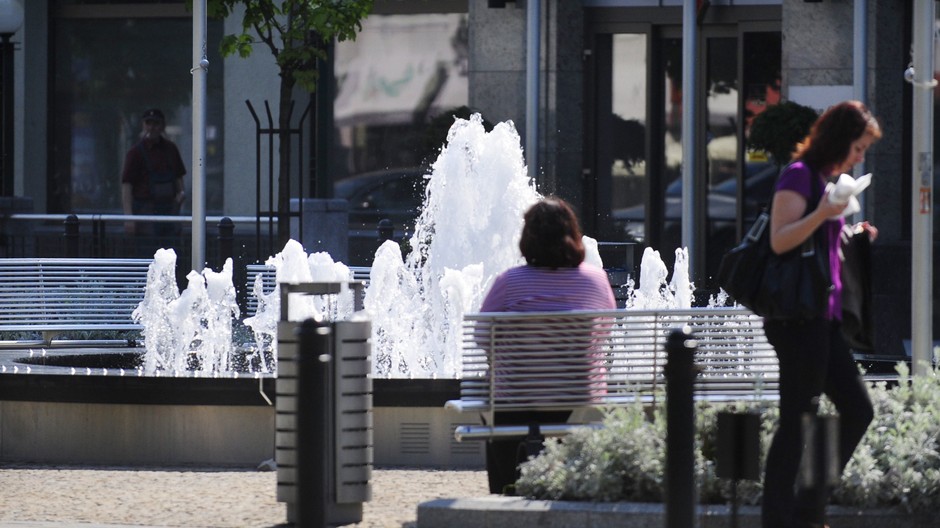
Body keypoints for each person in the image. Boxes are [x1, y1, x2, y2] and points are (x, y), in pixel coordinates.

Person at [762, 100, 880, 528]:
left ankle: (806, 509)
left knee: (856, 409)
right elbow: (780, 240)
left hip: (820, 318)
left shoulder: (826, 181)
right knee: (798, 418)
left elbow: (814, 243)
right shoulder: (798, 175)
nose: (861, 156)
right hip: (796, 318)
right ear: (840, 139)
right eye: (860, 146)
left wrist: (849, 232)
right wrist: (823, 214)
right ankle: (782, 518)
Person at [478, 197, 617, 494]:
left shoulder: (509, 282)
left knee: (494, 407)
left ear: (528, 239)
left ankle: (504, 491)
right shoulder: (596, 281)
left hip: (516, 397)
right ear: (573, 235)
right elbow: (604, 331)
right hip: (577, 397)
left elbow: (481, 336)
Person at [121, 108, 186, 237]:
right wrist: (129, 217)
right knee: (147, 252)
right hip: (145, 213)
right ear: (143, 125)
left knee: (170, 253)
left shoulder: (171, 149)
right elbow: (126, 185)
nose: (152, 128)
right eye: (148, 123)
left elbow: (179, 176)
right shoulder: (135, 153)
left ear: (162, 126)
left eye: (156, 124)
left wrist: (181, 194)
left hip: (169, 212)